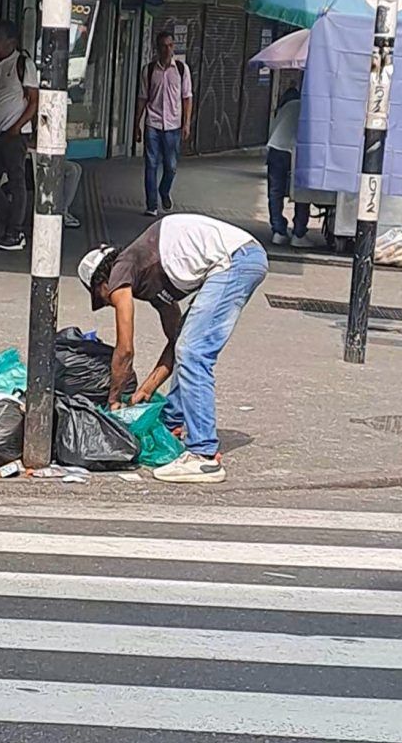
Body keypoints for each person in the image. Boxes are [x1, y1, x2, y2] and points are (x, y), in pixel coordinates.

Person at [78, 214, 268, 485]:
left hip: (235, 260)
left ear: (102, 283)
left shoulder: (122, 268)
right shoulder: (151, 280)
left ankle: (203, 456)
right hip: (240, 258)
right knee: (186, 346)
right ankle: (173, 423)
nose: (110, 303)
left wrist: (114, 400)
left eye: (102, 298)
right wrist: (147, 389)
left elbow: (125, 350)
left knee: (193, 353)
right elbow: (173, 341)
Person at [0, 20, 39, 251]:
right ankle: (6, 218)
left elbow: (34, 100)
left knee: (17, 182)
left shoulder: (23, 64)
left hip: (15, 134)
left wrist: (18, 127)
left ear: (12, 41)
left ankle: (15, 231)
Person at [135, 31, 193, 217]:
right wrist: (137, 123)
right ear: (157, 48)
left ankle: (164, 191)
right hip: (153, 122)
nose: (167, 50)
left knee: (171, 166)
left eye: (170, 46)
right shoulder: (149, 70)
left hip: (173, 125)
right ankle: (151, 205)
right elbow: (143, 98)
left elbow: (186, 98)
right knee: (151, 164)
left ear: (173, 47)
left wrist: (186, 123)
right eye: (163, 46)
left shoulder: (182, 70)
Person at [266, 78, 311, 248]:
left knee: (275, 192)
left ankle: (278, 231)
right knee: (302, 193)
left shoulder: (284, 108)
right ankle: (299, 233)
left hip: (276, 148)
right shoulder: (307, 108)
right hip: (296, 152)